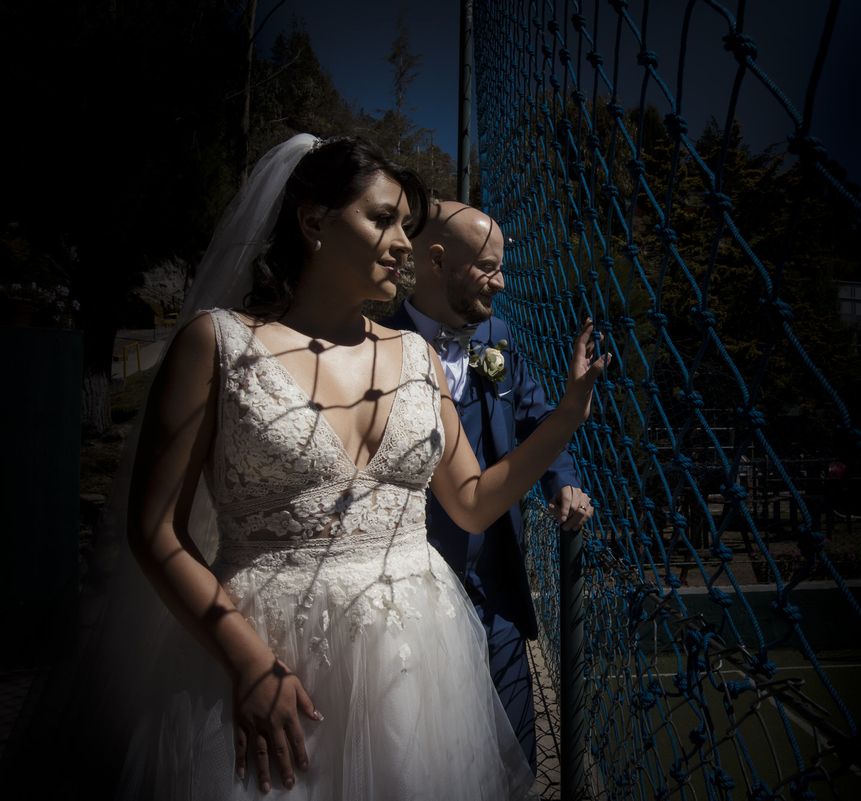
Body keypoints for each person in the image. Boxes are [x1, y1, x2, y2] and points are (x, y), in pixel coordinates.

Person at [110, 133, 607, 799]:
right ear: (313, 222)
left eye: (406, 223)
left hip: (418, 667)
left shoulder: (414, 356)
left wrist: (566, 417)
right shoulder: (219, 343)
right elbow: (155, 531)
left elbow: (473, 501)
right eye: (382, 219)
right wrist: (246, 658)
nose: (404, 242)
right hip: (267, 651)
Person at [379, 202, 592, 768]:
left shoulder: (495, 336)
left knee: (516, 757)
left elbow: (532, 416)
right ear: (437, 259)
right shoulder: (374, 345)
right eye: (488, 268)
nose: (501, 283)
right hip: (410, 592)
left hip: (495, 586)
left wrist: (561, 481)